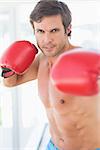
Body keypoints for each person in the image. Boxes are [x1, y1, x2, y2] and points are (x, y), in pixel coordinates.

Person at [0, 0, 100, 150]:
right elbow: (10, 82)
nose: (46, 40)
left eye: (54, 30)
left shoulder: (83, 60)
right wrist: (8, 66)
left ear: (68, 29)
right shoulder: (41, 60)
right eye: (40, 31)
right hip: (53, 146)